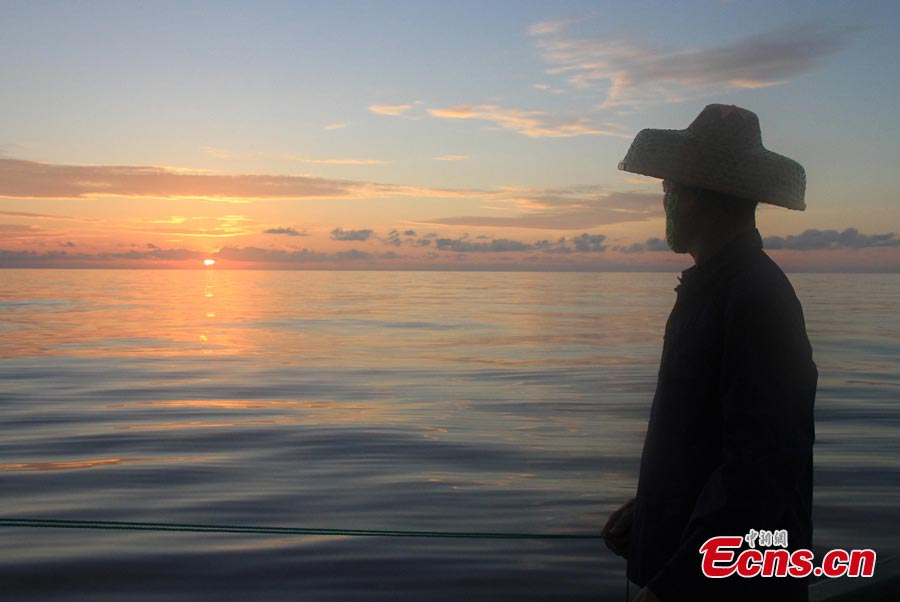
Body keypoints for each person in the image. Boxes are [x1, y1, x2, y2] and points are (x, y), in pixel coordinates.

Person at [602, 104, 817, 601]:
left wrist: (674, 589)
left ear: (694, 194)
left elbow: (762, 469)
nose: (664, 199)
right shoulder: (716, 289)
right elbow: (712, 439)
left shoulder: (755, 298)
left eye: (669, 187)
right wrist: (651, 508)